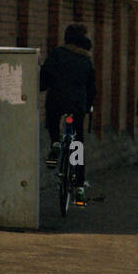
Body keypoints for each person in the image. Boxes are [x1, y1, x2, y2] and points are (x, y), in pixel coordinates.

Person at [40, 23, 96, 204]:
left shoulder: (57, 54)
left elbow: (45, 77)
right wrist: (88, 106)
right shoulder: (86, 59)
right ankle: (79, 187)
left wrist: (42, 87)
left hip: (56, 99)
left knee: (53, 118)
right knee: (77, 143)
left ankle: (55, 142)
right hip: (77, 104)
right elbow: (92, 88)